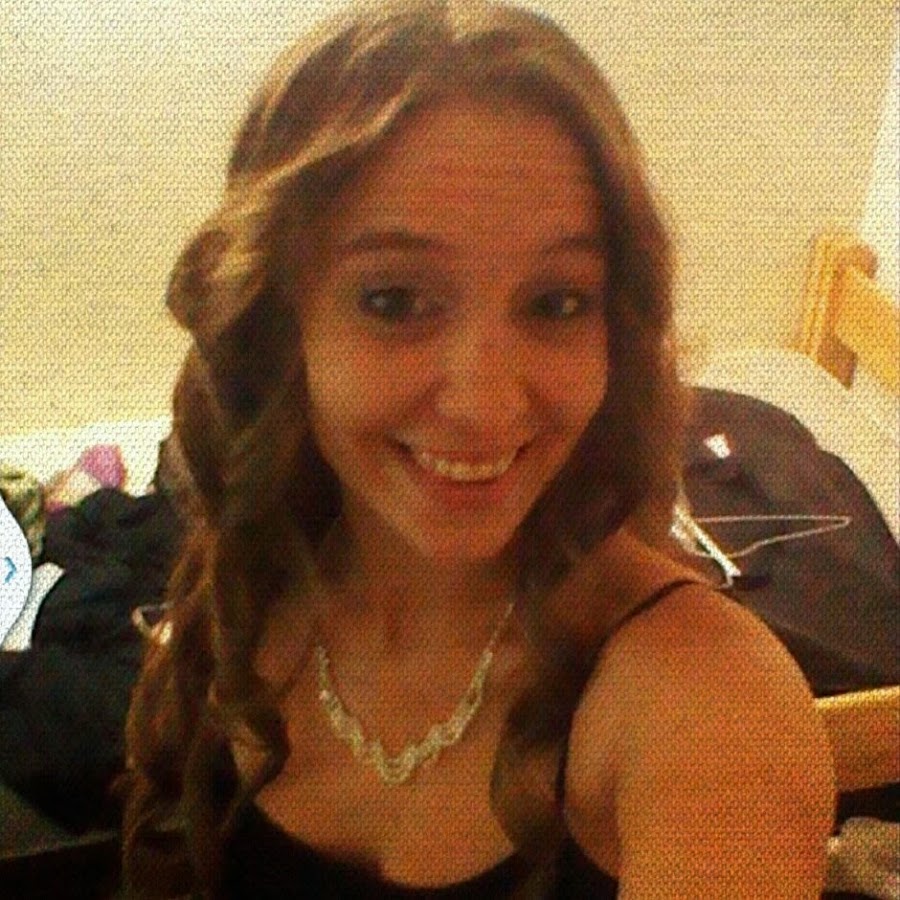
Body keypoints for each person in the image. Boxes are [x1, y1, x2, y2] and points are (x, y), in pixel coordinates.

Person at [120, 1, 835, 896]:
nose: (486, 403)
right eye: (395, 301)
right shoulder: (247, 587)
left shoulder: (708, 705)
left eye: (556, 303)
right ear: (279, 320)